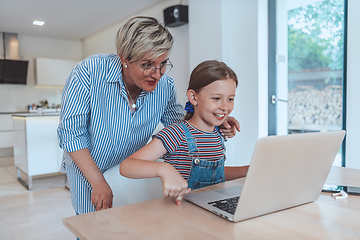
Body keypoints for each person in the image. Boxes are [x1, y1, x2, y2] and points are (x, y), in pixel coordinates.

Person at [57, 16, 240, 215]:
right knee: (91, 223)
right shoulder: (89, 73)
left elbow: (181, 124)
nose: (157, 73)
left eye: (163, 63)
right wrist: (98, 181)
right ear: (124, 58)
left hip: (132, 169)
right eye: (147, 64)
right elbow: (71, 134)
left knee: (129, 223)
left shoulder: (165, 87)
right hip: (89, 168)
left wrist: (215, 120)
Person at [120, 60, 249, 205]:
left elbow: (215, 175)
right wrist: (164, 169)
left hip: (214, 210)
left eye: (230, 99)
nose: (225, 107)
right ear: (194, 97)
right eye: (216, 99)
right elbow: (127, 166)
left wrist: (247, 171)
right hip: (183, 216)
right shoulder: (177, 134)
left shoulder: (217, 134)